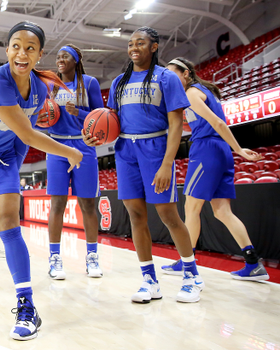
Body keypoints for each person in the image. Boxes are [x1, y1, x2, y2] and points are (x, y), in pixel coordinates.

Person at [0, 21, 82, 340]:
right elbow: (27, 132)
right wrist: (71, 152)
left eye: (30, 48)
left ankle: (27, 307)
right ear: (7, 50)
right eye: (16, 46)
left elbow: (22, 139)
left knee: (9, 223)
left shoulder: (40, 89)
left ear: (40, 54)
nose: (22, 53)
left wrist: (12, 167)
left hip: (5, 156)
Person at [84, 27, 203, 303]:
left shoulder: (167, 79)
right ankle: (149, 281)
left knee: (168, 215)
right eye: (130, 43)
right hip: (125, 151)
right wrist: (94, 137)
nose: (134, 47)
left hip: (155, 149)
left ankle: (191, 276)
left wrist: (166, 163)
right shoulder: (119, 82)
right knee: (136, 216)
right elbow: (110, 121)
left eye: (140, 43)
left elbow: (176, 125)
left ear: (154, 47)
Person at [162, 57, 269, 281]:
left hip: (207, 149)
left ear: (186, 74)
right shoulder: (199, 93)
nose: (170, 80)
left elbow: (218, 124)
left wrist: (239, 149)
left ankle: (186, 261)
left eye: (174, 75)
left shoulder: (192, 93)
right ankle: (253, 263)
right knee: (222, 211)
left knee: (191, 207)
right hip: (220, 152)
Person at [40, 44, 104, 280]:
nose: (60, 59)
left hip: (83, 145)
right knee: (57, 204)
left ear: (76, 60)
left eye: (65, 56)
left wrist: (79, 112)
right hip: (56, 145)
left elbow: (102, 116)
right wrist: (42, 120)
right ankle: (55, 259)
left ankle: (92, 257)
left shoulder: (89, 83)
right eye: (58, 56)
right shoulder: (49, 85)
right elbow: (40, 120)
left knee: (88, 205)